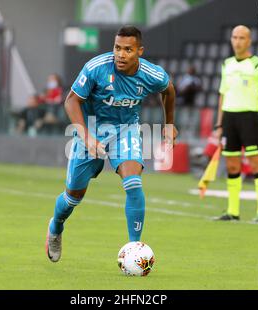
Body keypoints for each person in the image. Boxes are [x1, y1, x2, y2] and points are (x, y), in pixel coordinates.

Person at [46, 26, 178, 262]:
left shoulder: (151, 74)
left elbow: (168, 90)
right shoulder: (96, 67)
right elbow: (71, 101)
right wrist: (86, 136)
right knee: (73, 196)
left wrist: (169, 124)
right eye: (117, 48)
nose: (121, 54)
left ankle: (135, 248)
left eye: (128, 49)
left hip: (126, 129)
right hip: (92, 129)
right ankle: (56, 226)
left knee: (133, 182)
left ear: (139, 51)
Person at [213, 25, 258, 222]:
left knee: (256, 163)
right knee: (232, 165)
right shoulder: (227, 64)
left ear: (249, 41)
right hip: (230, 119)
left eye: (242, 38)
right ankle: (233, 211)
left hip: (249, 118)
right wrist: (219, 125)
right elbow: (222, 95)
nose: (237, 41)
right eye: (234, 37)